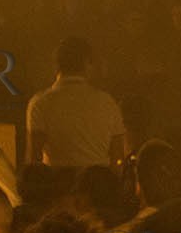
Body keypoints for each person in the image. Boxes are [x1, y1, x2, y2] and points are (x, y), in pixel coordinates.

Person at [25, 36, 126, 169]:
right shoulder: (107, 102)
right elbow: (118, 155)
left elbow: (34, 158)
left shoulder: (40, 103)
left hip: (57, 185)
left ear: (56, 65)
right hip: (98, 184)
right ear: (87, 64)